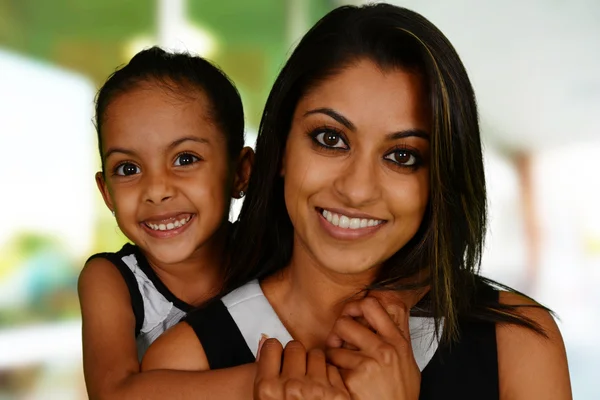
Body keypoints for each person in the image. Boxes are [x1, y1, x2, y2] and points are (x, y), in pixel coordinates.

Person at [142, 4, 572, 399]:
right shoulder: (182, 366)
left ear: (439, 177)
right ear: (282, 149)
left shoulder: (519, 344)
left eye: (402, 156)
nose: (358, 189)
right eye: (330, 139)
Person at [78, 47, 253, 399]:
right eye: (128, 169)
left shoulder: (269, 257)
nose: (156, 190)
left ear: (240, 173)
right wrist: (270, 381)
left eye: (185, 158)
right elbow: (114, 394)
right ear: (107, 192)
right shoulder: (110, 281)